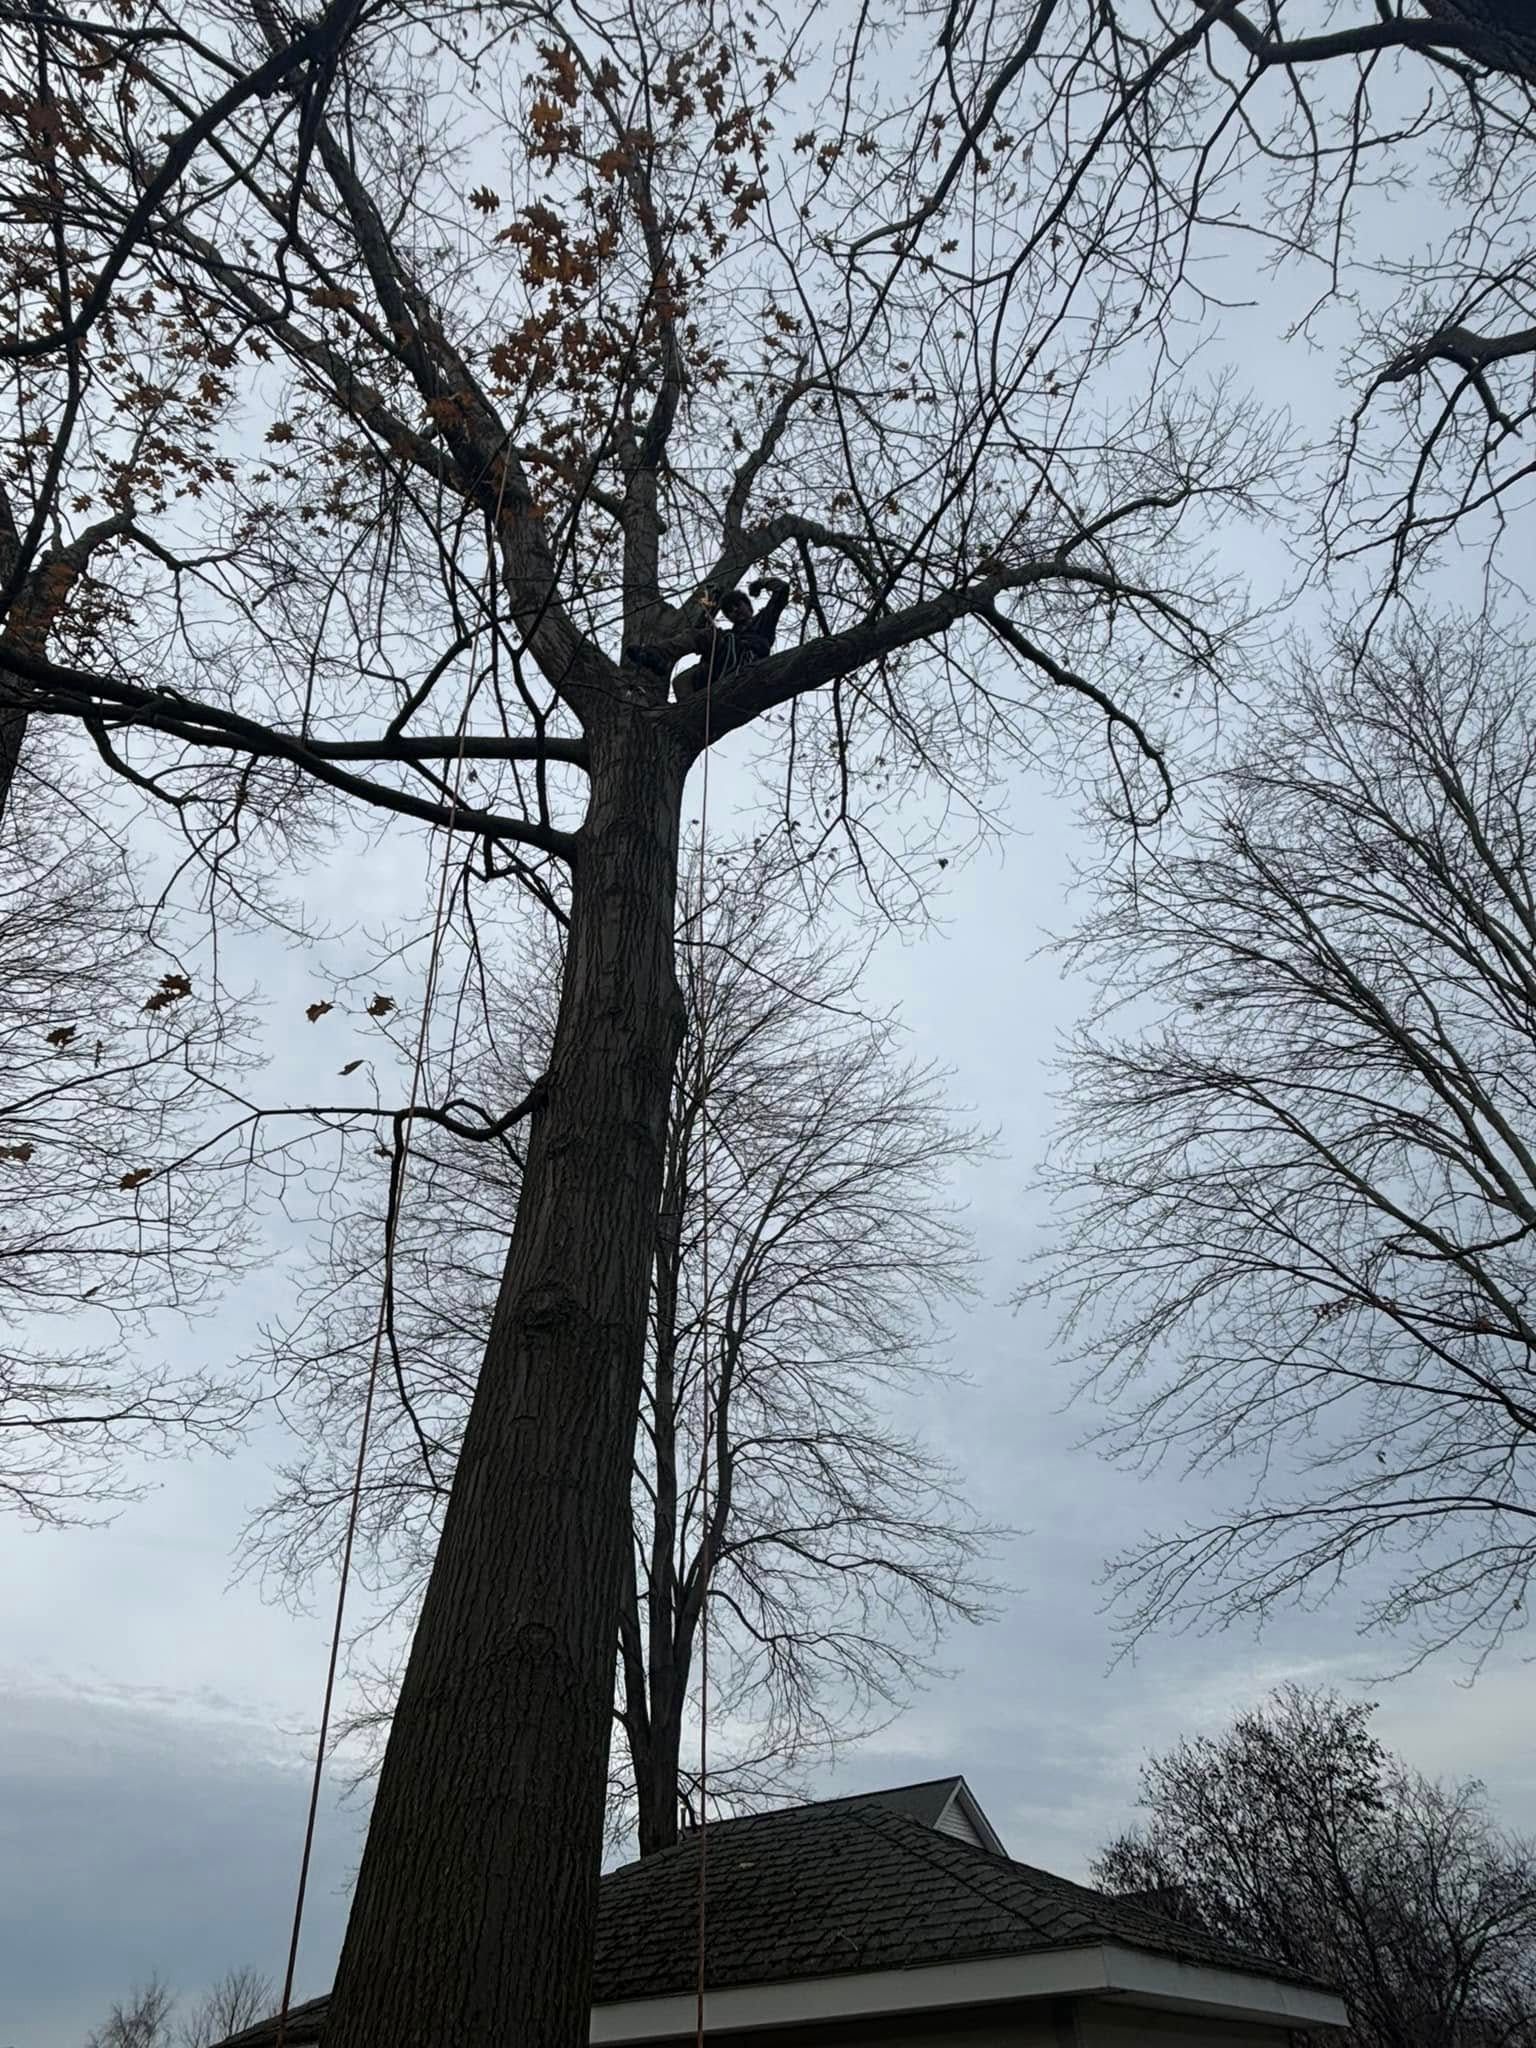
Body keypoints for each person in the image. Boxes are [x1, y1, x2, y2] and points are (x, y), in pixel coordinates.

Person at [625, 578, 791, 700]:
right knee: (681, 681)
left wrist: (762, 583)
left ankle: (660, 653)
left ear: (748, 606)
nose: (735, 610)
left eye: (738, 605)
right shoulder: (728, 635)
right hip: (720, 669)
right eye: (730, 611)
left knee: (710, 635)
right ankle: (689, 714)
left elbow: (782, 590)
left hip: (744, 662)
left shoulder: (763, 622)